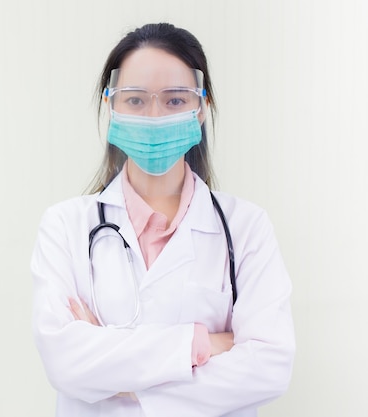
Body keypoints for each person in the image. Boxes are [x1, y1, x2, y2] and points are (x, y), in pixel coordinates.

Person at [30, 22, 295, 417]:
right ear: (111, 106)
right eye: (135, 100)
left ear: (202, 108)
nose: (154, 116)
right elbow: (65, 363)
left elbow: (269, 367)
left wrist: (122, 385)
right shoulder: (65, 226)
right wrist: (202, 343)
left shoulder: (246, 227)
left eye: (174, 100)